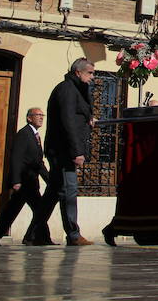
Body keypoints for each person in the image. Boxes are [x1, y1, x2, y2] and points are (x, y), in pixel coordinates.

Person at [27, 58, 96, 246]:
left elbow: (78, 116)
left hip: (63, 150)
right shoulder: (67, 89)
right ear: (78, 72)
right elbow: (68, 122)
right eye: (89, 73)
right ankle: (73, 234)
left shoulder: (77, 90)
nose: (92, 77)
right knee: (69, 191)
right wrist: (77, 151)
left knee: (53, 193)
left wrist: (89, 117)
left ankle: (34, 233)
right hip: (63, 151)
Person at [0, 108, 53, 246]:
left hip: (30, 181)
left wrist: (49, 180)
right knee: (39, 210)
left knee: (14, 210)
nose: (41, 117)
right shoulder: (24, 134)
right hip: (23, 182)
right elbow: (16, 158)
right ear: (29, 118)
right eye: (38, 115)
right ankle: (35, 237)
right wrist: (16, 181)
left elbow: (38, 163)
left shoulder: (35, 136)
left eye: (42, 115)